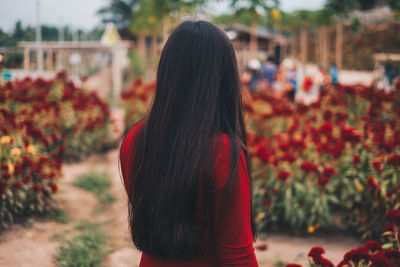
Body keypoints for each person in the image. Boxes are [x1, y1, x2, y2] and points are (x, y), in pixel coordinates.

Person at [119, 20, 258, 267]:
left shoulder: (136, 138)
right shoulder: (223, 152)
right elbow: (238, 258)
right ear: (224, 78)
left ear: (168, 72)